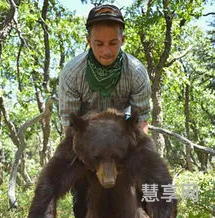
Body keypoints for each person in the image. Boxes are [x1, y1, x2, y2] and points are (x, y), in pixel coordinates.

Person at [58, 4, 151, 218]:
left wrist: (132, 161)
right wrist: (90, 164)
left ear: (123, 40)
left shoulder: (136, 72)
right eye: (98, 44)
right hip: (88, 146)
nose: (106, 51)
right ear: (89, 41)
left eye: (113, 43)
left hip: (123, 141)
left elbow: (140, 121)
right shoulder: (72, 74)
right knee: (84, 199)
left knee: (144, 191)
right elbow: (71, 127)